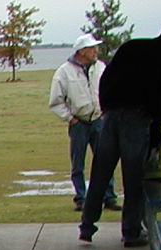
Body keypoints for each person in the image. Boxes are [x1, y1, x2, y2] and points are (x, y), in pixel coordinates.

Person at [80, 11, 161, 247]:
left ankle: (87, 226)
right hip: (138, 119)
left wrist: (107, 107)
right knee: (134, 179)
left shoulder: (132, 47)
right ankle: (130, 232)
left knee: (100, 173)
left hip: (111, 116)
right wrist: (155, 121)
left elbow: (107, 78)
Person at [47, 33, 118, 212]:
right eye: (92, 48)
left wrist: (105, 113)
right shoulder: (64, 72)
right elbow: (56, 100)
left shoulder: (101, 67)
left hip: (98, 120)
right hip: (79, 123)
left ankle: (108, 196)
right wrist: (70, 119)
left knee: (105, 159)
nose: (96, 51)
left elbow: (109, 90)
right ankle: (81, 197)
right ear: (82, 51)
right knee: (78, 162)